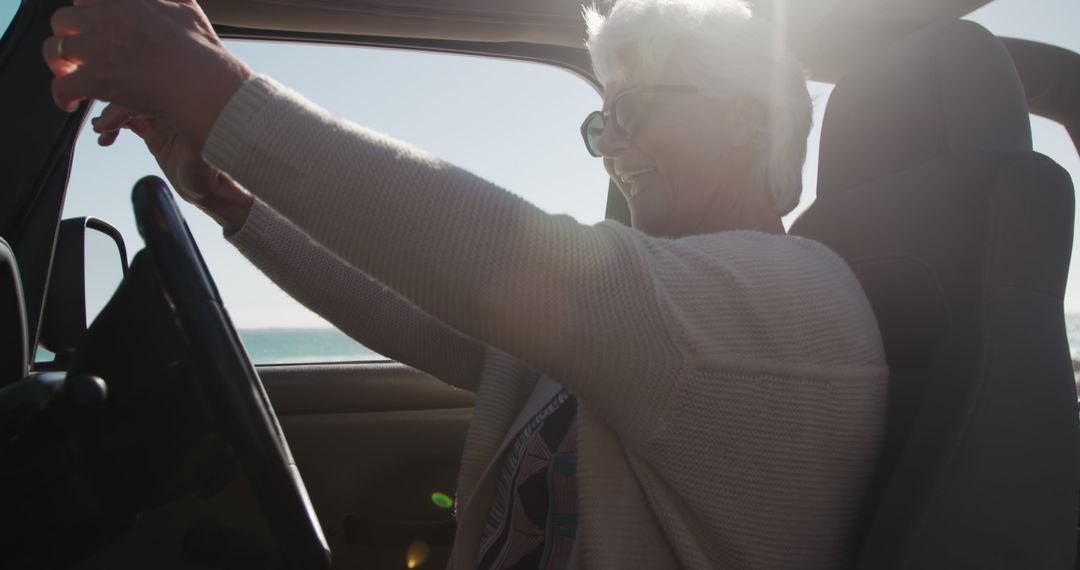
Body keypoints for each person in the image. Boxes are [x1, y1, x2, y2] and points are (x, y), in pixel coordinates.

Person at [43, 0, 888, 567]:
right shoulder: (654, 316)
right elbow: (409, 302)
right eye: (603, 117)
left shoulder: (791, 302)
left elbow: (480, 244)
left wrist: (206, 83)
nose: (615, 144)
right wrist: (228, 200)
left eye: (638, 107)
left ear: (747, 115)